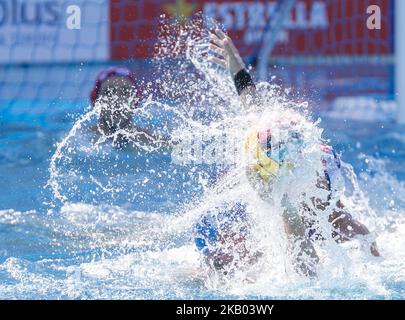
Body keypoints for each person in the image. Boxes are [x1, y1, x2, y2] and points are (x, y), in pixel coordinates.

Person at [193, 30, 380, 279]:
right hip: (295, 168)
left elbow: (308, 271)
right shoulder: (263, 131)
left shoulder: (317, 186)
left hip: (313, 178)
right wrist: (234, 61)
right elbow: (249, 96)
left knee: (334, 228)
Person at [89, 66, 169, 148]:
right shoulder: (82, 139)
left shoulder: (154, 142)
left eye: (125, 92)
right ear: (96, 100)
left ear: (135, 100)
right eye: (108, 92)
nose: (117, 100)